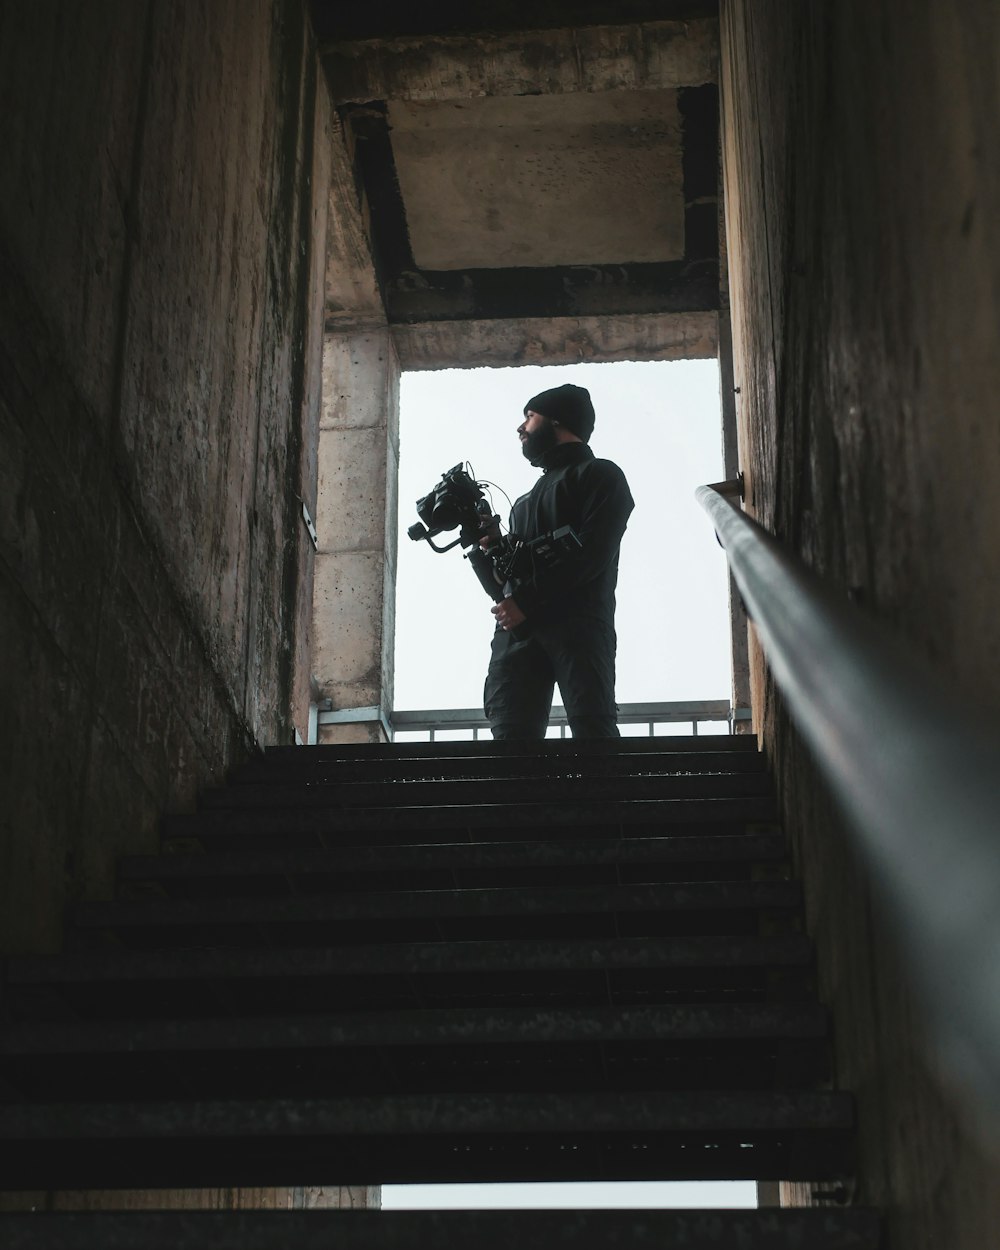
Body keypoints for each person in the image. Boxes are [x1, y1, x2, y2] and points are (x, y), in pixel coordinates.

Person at [483, 383, 634, 740]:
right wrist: (491, 547)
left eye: (529, 417)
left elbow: (593, 554)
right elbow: (508, 581)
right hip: (520, 632)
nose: (521, 428)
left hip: (578, 626)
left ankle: (604, 798)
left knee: (593, 728)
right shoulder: (522, 503)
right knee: (509, 736)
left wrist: (524, 601)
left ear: (556, 421)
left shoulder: (601, 475)